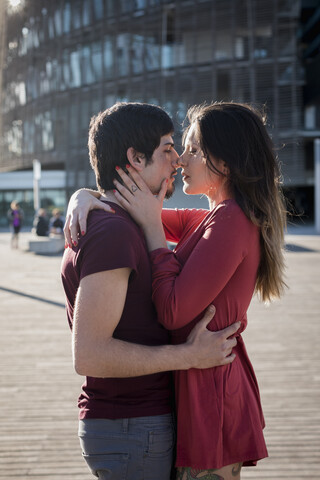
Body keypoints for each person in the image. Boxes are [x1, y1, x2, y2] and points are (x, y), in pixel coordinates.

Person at [65, 102, 287, 480]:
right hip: (197, 380)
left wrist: (153, 234)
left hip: (211, 390)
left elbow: (172, 311)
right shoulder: (215, 216)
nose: (182, 160)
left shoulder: (232, 220)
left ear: (227, 163)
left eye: (194, 150)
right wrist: (84, 196)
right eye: (177, 149)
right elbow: (127, 206)